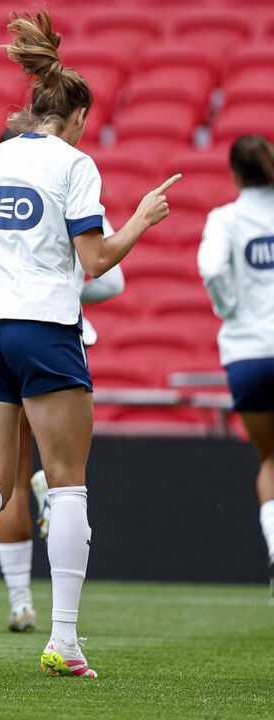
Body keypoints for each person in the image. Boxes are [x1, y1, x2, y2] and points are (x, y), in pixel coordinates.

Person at [0, 10, 177, 679]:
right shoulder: (76, 165)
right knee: (67, 486)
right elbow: (96, 261)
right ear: (74, 116)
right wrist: (141, 220)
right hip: (42, 325)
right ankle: (65, 641)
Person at [0, 126, 126, 633]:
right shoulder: (68, 175)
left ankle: (19, 601)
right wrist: (56, 272)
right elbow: (108, 276)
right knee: (66, 475)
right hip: (52, 335)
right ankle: (63, 630)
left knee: (1, 482)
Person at [198, 133, 274, 596]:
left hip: (248, 353)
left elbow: (211, 269)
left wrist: (227, 307)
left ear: (233, 174)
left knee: (270, 457)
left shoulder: (225, 218)